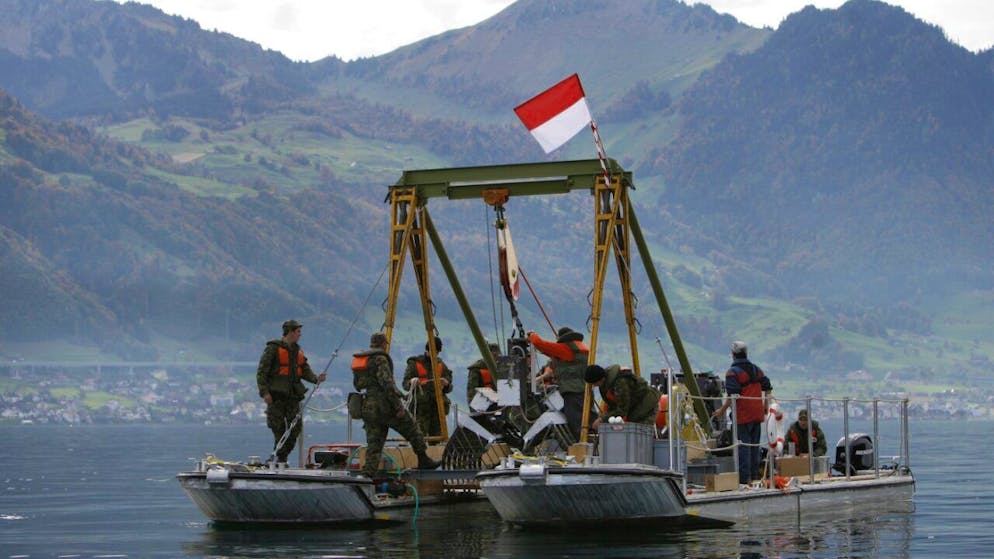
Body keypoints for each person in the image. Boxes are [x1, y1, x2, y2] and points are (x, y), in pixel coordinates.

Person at [351, 332, 440, 477]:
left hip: (367, 406)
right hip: (384, 405)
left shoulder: (363, 360)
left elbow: (357, 384)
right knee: (412, 427)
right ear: (384, 344)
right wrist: (398, 406)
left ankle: (367, 475)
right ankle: (423, 459)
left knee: (374, 444)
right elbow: (386, 384)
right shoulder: (380, 359)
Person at [256, 319, 326, 464]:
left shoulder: (298, 351)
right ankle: (280, 459)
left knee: (295, 428)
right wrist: (265, 392)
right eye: (298, 332)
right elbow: (262, 372)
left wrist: (315, 379)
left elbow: (305, 369)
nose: (300, 335)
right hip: (276, 396)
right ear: (291, 332)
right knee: (278, 429)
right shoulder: (273, 349)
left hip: (293, 396)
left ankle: (279, 458)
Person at [711, 340, 773, 485]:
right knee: (754, 446)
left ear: (733, 355)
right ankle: (755, 476)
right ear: (746, 353)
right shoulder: (757, 370)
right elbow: (768, 386)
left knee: (743, 446)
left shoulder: (732, 373)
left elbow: (732, 396)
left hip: (743, 415)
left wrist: (721, 410)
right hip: (757, 414)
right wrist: (766, 404)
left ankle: (745, 479)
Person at [528, 327, 590, 441]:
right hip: (585, 390)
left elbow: (538, 343)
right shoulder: (581, 349)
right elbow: (552, 353)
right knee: (587, 420)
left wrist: (531, 335)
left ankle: (581, 448)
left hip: (573, 392)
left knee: (575, 422)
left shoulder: (565, 348)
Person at [584, 364, 661, 430]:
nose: (594, 386)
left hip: (647, 405)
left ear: (599, 380)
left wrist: (602, 419)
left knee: (641, 433)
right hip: (635, 408)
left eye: (594, 383)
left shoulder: (620, 383)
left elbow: (622, 409)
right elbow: (613, 406)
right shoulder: (605, 386)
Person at [403, 336, 453, 437]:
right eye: (433, 351)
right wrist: (411, 382)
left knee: (438, 438)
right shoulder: (415, 364)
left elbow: (450, 387)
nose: (435, 355)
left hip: (437, 410)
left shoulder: (442, 365)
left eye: (437, 352)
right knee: (419, 437)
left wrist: (446, 384)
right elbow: (405, 384)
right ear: (427, 350)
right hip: (420, 410)